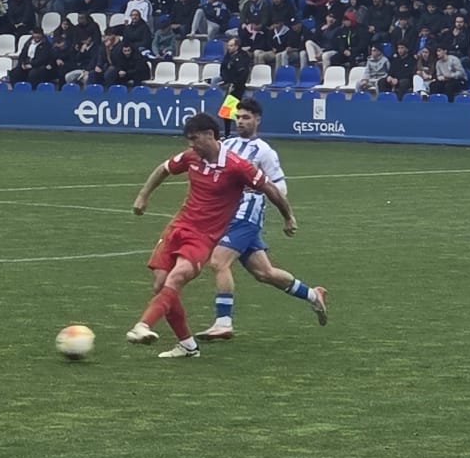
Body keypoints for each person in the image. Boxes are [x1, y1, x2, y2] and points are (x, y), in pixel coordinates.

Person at [128, 111, 296, 359]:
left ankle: (143, 325)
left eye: (195, 139)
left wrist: (287, 216)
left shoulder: (237, 166)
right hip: (178, 227)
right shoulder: (191, 157)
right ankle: (187, 345)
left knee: (176, 278)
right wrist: (143, 195)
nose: (191, 144)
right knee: (160, 285)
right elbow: (163, 169)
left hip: (203, 237)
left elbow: (270, 188)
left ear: (210, 135)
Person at [194, 98, 327, 340]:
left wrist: (277, 207)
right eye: (238, 117)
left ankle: (223, 323)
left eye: (246, 117)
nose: (241, 121)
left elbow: (280, 187)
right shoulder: (227, 144)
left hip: (247, 215)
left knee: (219, 261)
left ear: (257, 120)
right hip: (228, 213)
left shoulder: (264, 151)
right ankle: (313, 295)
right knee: (264, 273)